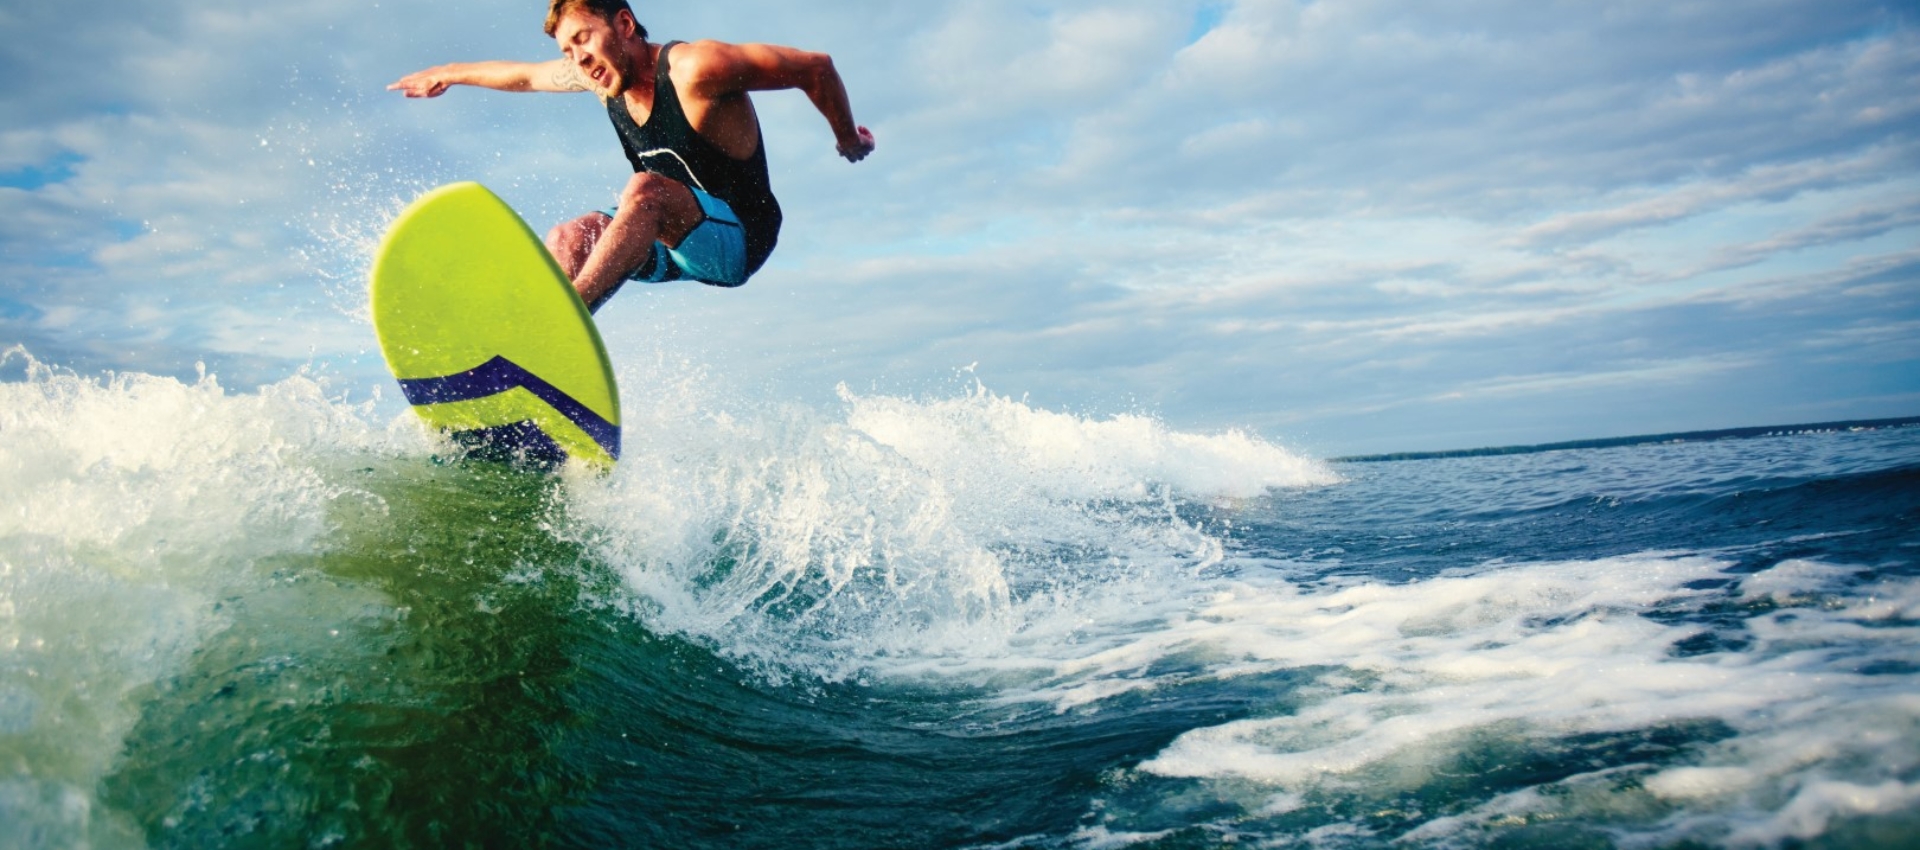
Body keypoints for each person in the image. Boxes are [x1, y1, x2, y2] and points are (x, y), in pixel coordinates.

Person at [388, 0, 873, 310]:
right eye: (566, 50)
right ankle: (530, 354)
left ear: (623, 24)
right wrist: (449, 72)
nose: (576, 59)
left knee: (645, 191)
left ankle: (563, 327)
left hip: (739, 241)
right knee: (568, 237)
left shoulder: (696, 69)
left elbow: (816, 67)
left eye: (582, 39)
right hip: (667, 243)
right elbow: (522, 75)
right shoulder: (597, 78)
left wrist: (848, 139)